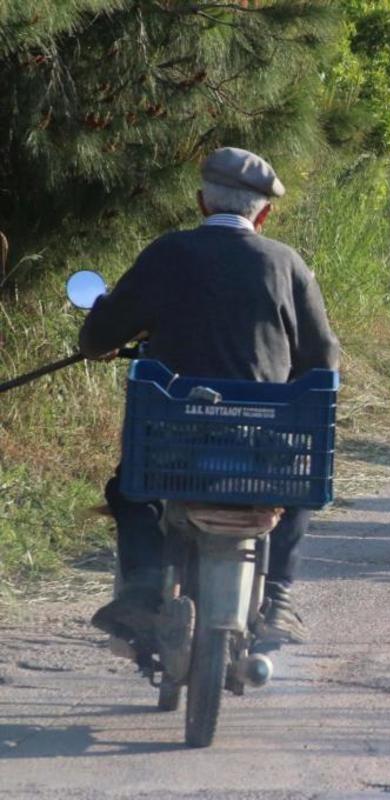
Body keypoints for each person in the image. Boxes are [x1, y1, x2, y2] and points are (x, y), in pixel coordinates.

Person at [80, 147, 340, 649]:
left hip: (174, 448)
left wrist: (104, 331)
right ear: (263, 213)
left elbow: (97, 338)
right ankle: (279, 597)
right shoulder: (287, 264)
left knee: (130, 491)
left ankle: (140, 592)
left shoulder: (168, 253)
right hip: (259, 451)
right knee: (299, 485)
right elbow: (323, 360)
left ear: (202, 203)